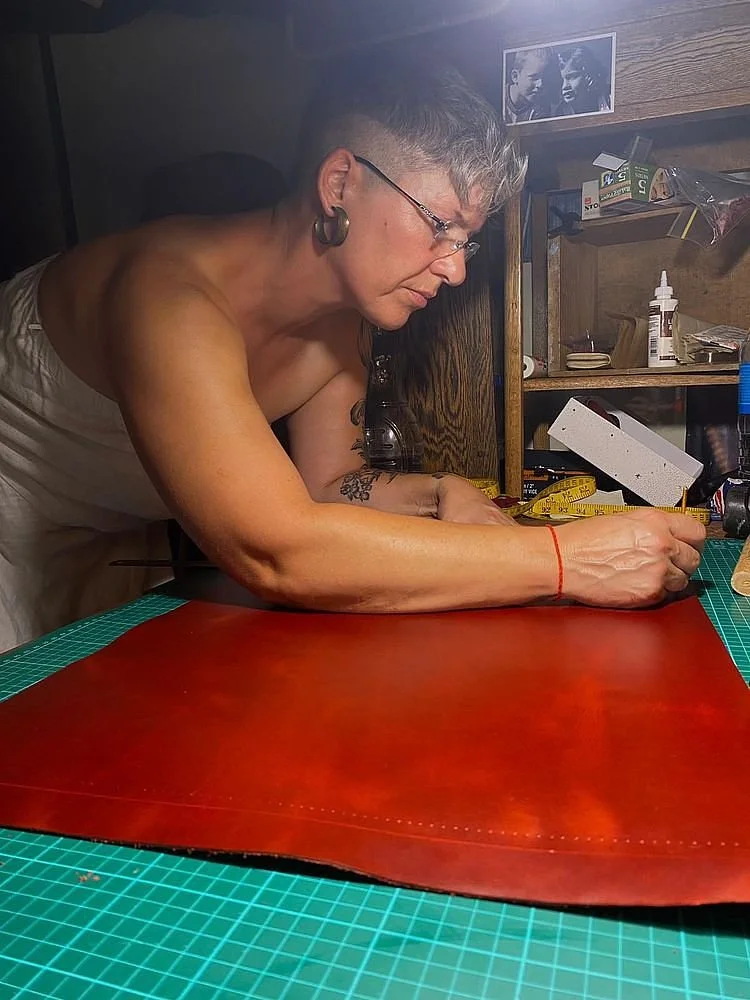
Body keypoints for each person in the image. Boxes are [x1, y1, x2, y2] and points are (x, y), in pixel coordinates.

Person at [0, 56, 704, 652]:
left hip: (110, 531)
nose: (456, 271)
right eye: (439, 227)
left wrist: (437, 494)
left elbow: (326, 485)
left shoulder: (345, 323)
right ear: (339, 184)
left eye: (468, 242)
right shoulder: (167, 294)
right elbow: (278, 550)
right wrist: (565, 559)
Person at [555, 45, 612, 116]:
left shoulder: (610, 98)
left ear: (590, 76)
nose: (565, 86)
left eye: (572, 77)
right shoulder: (561, 112)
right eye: (562, 79)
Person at [504, 48, 552, 124]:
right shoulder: (498, 101)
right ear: (515, 76)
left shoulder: (541, 108)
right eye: (534, 77)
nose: (540, 84)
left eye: (544, 79)